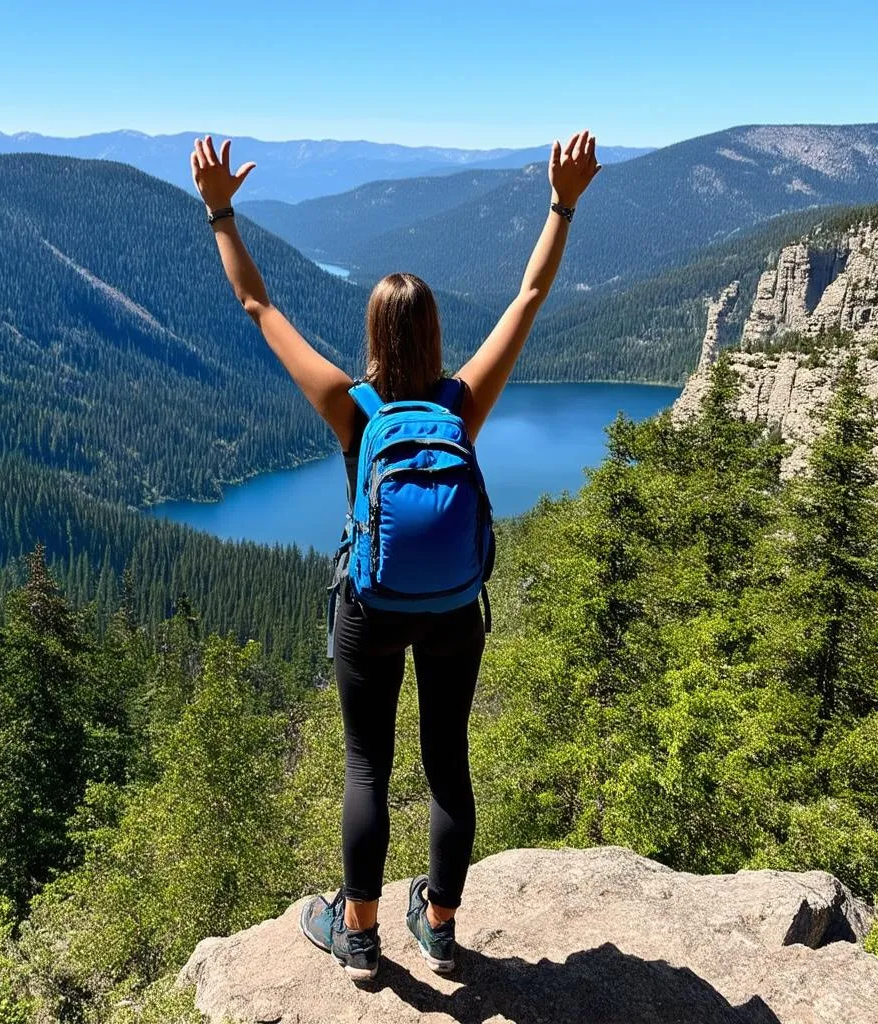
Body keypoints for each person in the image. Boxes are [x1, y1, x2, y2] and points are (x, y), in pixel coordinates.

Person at [190, 129, 601, 982]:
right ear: (437, 331)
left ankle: (362, 935)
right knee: (447, 760)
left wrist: (222, 212)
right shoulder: (463, 403)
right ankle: (442, 925)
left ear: (374, 332)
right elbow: (528, 297)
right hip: (454, 607)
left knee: (366, 764)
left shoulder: (354, 408)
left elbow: (258, 308)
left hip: (369, 610)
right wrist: (562, 203)